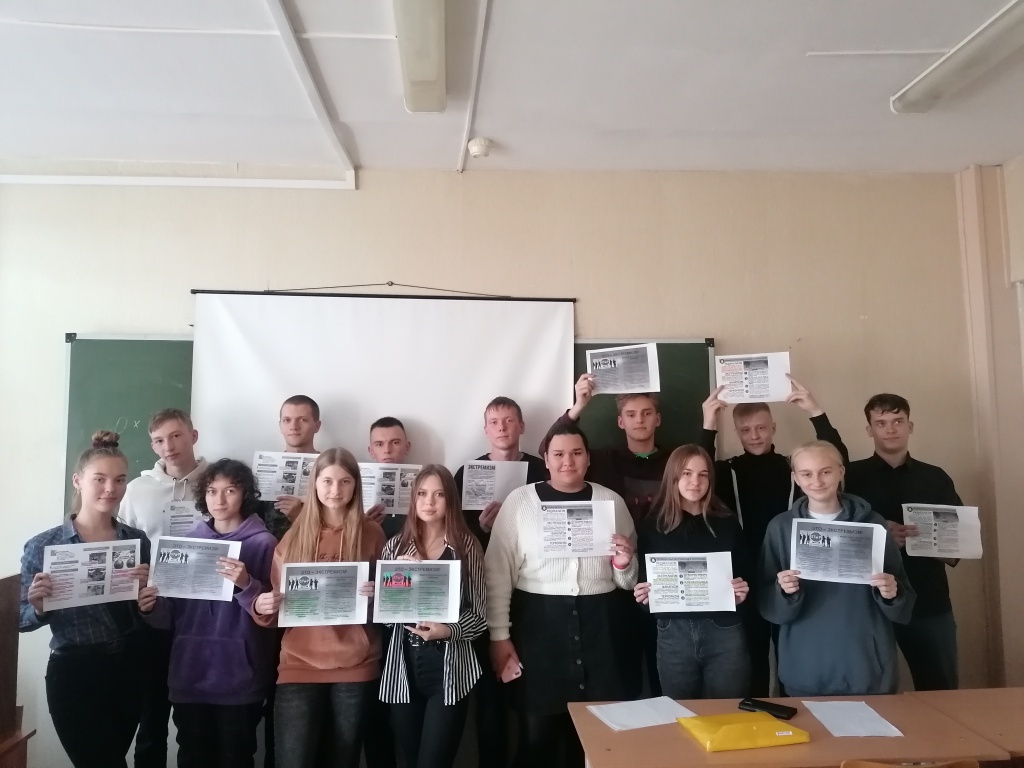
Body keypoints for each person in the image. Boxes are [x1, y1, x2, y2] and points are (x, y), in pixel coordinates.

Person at [486, 421, 638, 768]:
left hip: (600, 628)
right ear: (545, 459)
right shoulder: (520, 502)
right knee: (536, 740)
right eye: (558, 454)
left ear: (588, 459)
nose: (567, 461)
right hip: (538, 627)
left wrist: (625, 563)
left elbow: (628, 582)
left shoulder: (611, 502)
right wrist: (499, 636)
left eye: (576, 453)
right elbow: (497, 574)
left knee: (591, 743)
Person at [700, 375, 848, 696]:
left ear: (774, 428)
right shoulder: (726, 471)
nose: (754, 436)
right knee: (752, 663)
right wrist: (709, 422)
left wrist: (815, 411)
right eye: (745, 430)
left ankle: (792, 713)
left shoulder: (792, 468)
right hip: (745, 579)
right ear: (736, 432)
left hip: (791, 576)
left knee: (790, 657)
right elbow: (696, 468)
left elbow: (837, 460)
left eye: (761, 428)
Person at [20, 431, 151, 768]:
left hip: (129, 667)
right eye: (100, 479)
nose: (111, 488)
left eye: (119, 480)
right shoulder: (44, 545)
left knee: (115, 758)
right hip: (74, 673)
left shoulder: (136, 540)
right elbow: (20, 620)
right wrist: (38, 608)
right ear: (78, 481)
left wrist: (147, 599)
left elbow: (146, 611)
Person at [138, 459, 278, 768]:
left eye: (230, 490)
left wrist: (246, 583)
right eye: (212, 491)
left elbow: (273, 616)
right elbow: (171, 616)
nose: (220, 499)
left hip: (239, 678)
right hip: (190, 674)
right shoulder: (185, 543)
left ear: (245, 494)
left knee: (236, 758)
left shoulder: (265, 544)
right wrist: (151, 608)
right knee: (192, 757)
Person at [252, 448, 384, 768]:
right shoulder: (293, 535)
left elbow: (389, 606)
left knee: (342, 760)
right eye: (327, 481)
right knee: (293, 760)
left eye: (344, 481)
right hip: (299, 663)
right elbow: (276, 609)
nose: (335, 490)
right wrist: (261, 607)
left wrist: (378, 596)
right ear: (314, 484)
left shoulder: (372, 533)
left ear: (356, 485)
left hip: (356, 663)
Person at [759, 441, 915, 696]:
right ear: (795, 478)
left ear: (841, 472)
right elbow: (767, 602)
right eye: (806, 474)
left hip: (866, 667)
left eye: (826, 471)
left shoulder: (874, 524)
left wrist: (891, 593)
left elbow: (904, 596)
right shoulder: (780, 528)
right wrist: (783, 590)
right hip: (805, 667)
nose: (817, 481)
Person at [452, 397, 546, 768]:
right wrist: (483, 528)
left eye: (509, 420)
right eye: (494, 422)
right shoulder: (466, 473)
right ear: (485, 430)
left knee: (531, 691)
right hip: (482, 596)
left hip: (531, 596)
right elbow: (454, 538)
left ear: (521, 426)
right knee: (490, 697)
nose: (502, 427)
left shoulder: (543, 468)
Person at [845, 393, 963, 691]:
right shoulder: (850, 478)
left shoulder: (935, 478)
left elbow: (957, 543)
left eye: (898, 421)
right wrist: (881, 535)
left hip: (928, 600)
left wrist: (929, 540)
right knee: (871, 691)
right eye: (881, 422)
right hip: (868, 602)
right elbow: (837, 538)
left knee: (941, 690)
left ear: (910, 426)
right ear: (869, 429)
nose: (890, 429)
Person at [379, 466, 487, 768]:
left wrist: (448, 630)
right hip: (403, 670)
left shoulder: (466, 546)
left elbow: (479, 616)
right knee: (411, 760)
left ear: (450, 500)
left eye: (439, 494)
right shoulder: (394, 547)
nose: (429, 502)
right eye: (423, 494)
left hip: (449, 670)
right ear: (413, 499)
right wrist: (398, 587)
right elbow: (386, 620)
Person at [119, 408, 208, 768]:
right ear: (152, 445)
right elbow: (121, 546)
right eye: (159, 440)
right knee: (151, 717)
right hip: (153, 614)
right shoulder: (136, 491)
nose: (168, 446)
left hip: (202, 615)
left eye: (176, 436)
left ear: (193, 436)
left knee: (194, 721)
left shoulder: (216, 483)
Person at [633, 445, 751, 699]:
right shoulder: (654, 526)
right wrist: (643, 597)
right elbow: (647, 590)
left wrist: (742, 592)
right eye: (686, 473)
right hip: (673, 633)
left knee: (727, 712)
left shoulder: (727, 522)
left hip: (724, 632)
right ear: (673, 478)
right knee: (680, 714)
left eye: (703, 475)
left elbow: (745, 577)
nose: (695, 482)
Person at [558, 374, 669, 523]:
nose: (639, 420)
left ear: (658, 419)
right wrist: (578, 406)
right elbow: (549, 450)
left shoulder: (676, 461)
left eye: (647, 413)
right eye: (631, 415)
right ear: (621, 422)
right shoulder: (602, 460)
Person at [260, 395, 322, 541]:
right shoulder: (264, 469)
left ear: (317, 426)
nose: (294, 426)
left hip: (316, 548)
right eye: (287, 420)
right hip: (271, 549)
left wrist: (299, 516)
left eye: (303, 420)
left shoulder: (330, 469)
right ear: (280, 425)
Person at [365, 416, 414, 540]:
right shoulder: (353, 484)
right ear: (371, 451)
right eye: (379, 444)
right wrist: (363, 525)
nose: (387, 450)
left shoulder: (424, 484)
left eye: (395, 442)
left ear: (407, 447)